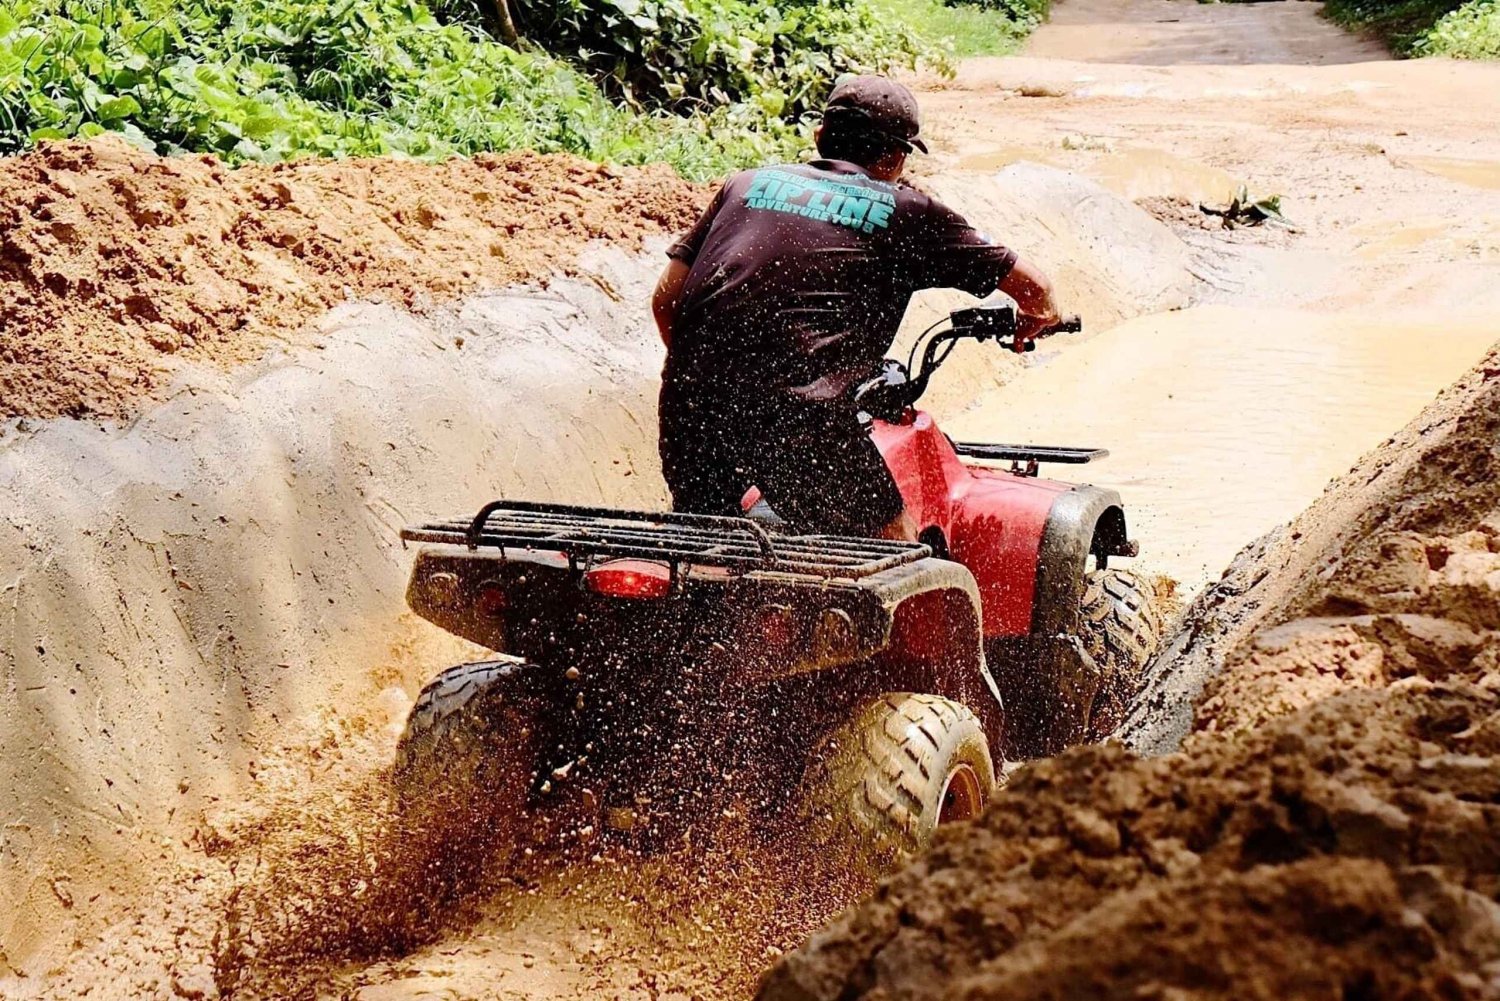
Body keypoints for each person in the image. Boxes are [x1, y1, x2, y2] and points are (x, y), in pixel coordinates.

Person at [651, 74, 1061, 541]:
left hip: (690, 401)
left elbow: (666, 301)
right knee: (890, 545)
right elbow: (1035, 289)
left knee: (702, 544)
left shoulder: (744, 185)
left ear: (820, 136)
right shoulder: (911, 212)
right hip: (801, 416)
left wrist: (719, 373)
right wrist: (1037, 319)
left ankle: (704, 610)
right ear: (896, 157)